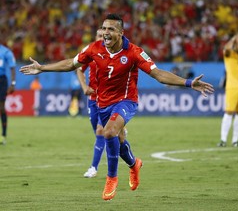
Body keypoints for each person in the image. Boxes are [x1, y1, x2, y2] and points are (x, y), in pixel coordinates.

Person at [19, 14, 214, 200]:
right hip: (102, 103)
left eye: (110, 29)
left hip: (126, 101)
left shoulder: (135, 52)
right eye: (103, 28)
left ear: (121, 33)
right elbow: (71, 64)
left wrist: (188, 83)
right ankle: (134, 164)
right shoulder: (94, 48)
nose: (105, 32)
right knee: (119, 142)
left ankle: (111, 178)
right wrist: (42, 68)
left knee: (109, 132)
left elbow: (158, 74)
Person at [77, 29, 128, 178]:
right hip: (94, 100)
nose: (103, 37)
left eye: (104, 35)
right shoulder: (91, 52)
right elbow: (79, 69)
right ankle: (121, 132)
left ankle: (94, 167)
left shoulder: (116, 54)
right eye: (99, 35)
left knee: (101, 131)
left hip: (110, 100)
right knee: (103, 135)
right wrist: (84, 86)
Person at [0, 43, 16, 145]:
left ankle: (3, 135)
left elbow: (12, 67)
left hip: (1, 80)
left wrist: (13, 83)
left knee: (1, 108)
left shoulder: (5, 51)